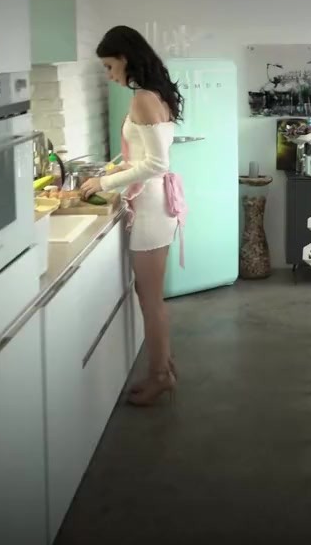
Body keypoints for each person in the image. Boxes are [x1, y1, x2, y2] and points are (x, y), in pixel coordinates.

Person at [80, 26, 185, 406]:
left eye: (110, 66)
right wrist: (117, 171)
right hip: (154, 204)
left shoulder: (143, 98)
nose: (109, 75)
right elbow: (145, 157)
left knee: (150, 299)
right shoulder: (155, 94)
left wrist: (104, 181)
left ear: (125, 58)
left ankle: (160, 376)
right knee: (149, 295)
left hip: (152, 208)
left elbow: (156, 163)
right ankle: (165, 365)